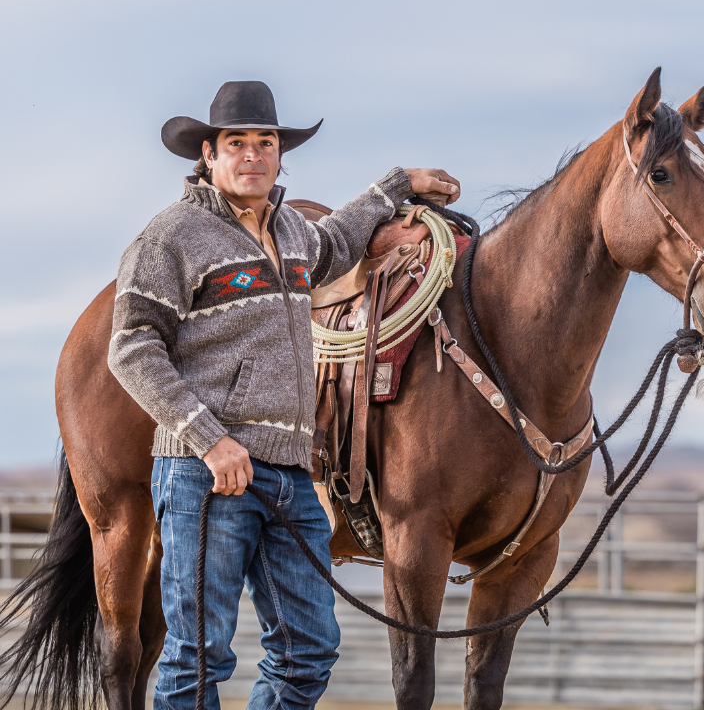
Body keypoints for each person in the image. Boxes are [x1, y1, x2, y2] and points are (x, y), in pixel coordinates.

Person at [107, 80, 460, 710]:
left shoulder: (293, 232)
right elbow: (131, 348)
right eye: (236, 143)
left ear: (279, 154)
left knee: (309, 652)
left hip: (290, 477)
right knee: (197, 658)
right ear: (208, 155)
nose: (252, 154)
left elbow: (341, 241)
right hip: (207, 475)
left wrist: (398, 184)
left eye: (265, 142)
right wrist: (209, 441)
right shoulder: (171, 237)